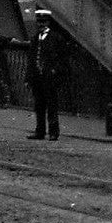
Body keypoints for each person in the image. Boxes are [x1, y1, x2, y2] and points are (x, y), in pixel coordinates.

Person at [26, 9, 66, 141]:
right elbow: (31, 59)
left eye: (43, 22)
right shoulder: (35, 38)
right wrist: (28, 77)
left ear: (48, 22)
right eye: (39, 22)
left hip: (49, 78)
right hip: (37, 78)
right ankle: (40, 131)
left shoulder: (56, 38)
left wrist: (56, 72)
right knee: (39, 106)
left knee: (52, 106)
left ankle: (54, 132)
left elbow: (61, 58)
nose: (41, 24)